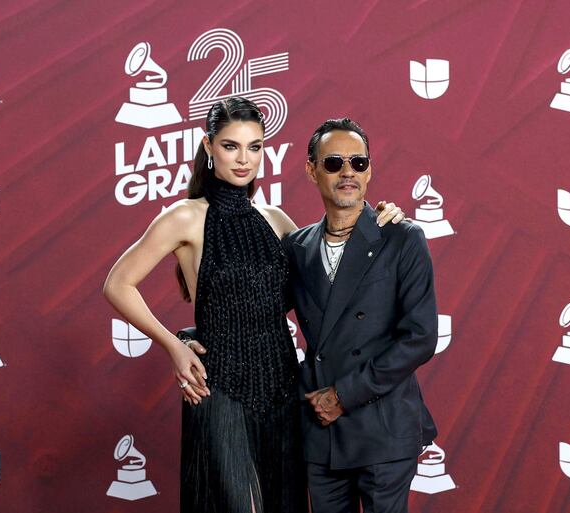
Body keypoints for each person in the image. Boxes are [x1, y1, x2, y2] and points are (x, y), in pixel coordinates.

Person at [102, 98, 405, 513]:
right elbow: (118, 284)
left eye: (255, 147)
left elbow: (334, 283)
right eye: (231, 146)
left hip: (284, 388)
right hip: (219, 387)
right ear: (208, 147)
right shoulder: (185, 217)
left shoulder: (277, 219)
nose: (244, 159)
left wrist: (375, 221)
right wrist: (173, 345)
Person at [282, 118, 439, 513]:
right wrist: (193, 339)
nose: (347, 171)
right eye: (333, 163)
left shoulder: (402, 237)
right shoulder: (296, 247)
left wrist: (343, 395)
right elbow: (256, 316)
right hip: (321, 431)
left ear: (370, 170)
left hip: (382, 424)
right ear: (311, 169)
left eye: (359, 162)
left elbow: (420, 338)